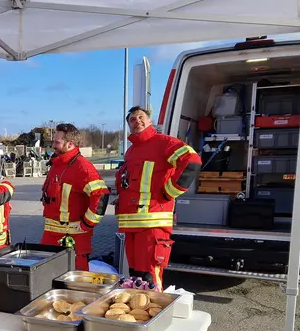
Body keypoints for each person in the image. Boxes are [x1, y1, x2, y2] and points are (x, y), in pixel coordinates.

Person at [115, 106, 201, 290]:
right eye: (132, 119)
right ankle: (139, 315)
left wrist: (170, 191)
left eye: (140, 117)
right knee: (136, 278)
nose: (136, 121)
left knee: (150, 277)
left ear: (150, 121)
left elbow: (192, 160)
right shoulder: (131, 152)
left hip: (152, 225)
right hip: (132, 225)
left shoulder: (164, 142)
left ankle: (154, 315)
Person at [40, 123, 109, 271]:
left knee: (76, 285)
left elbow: (101, 195)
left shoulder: (82, 167)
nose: (53, 145)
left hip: (73, 241)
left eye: (57, 142)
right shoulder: (57, 164)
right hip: (52, 237)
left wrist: (87, 223)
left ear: (70, 144)